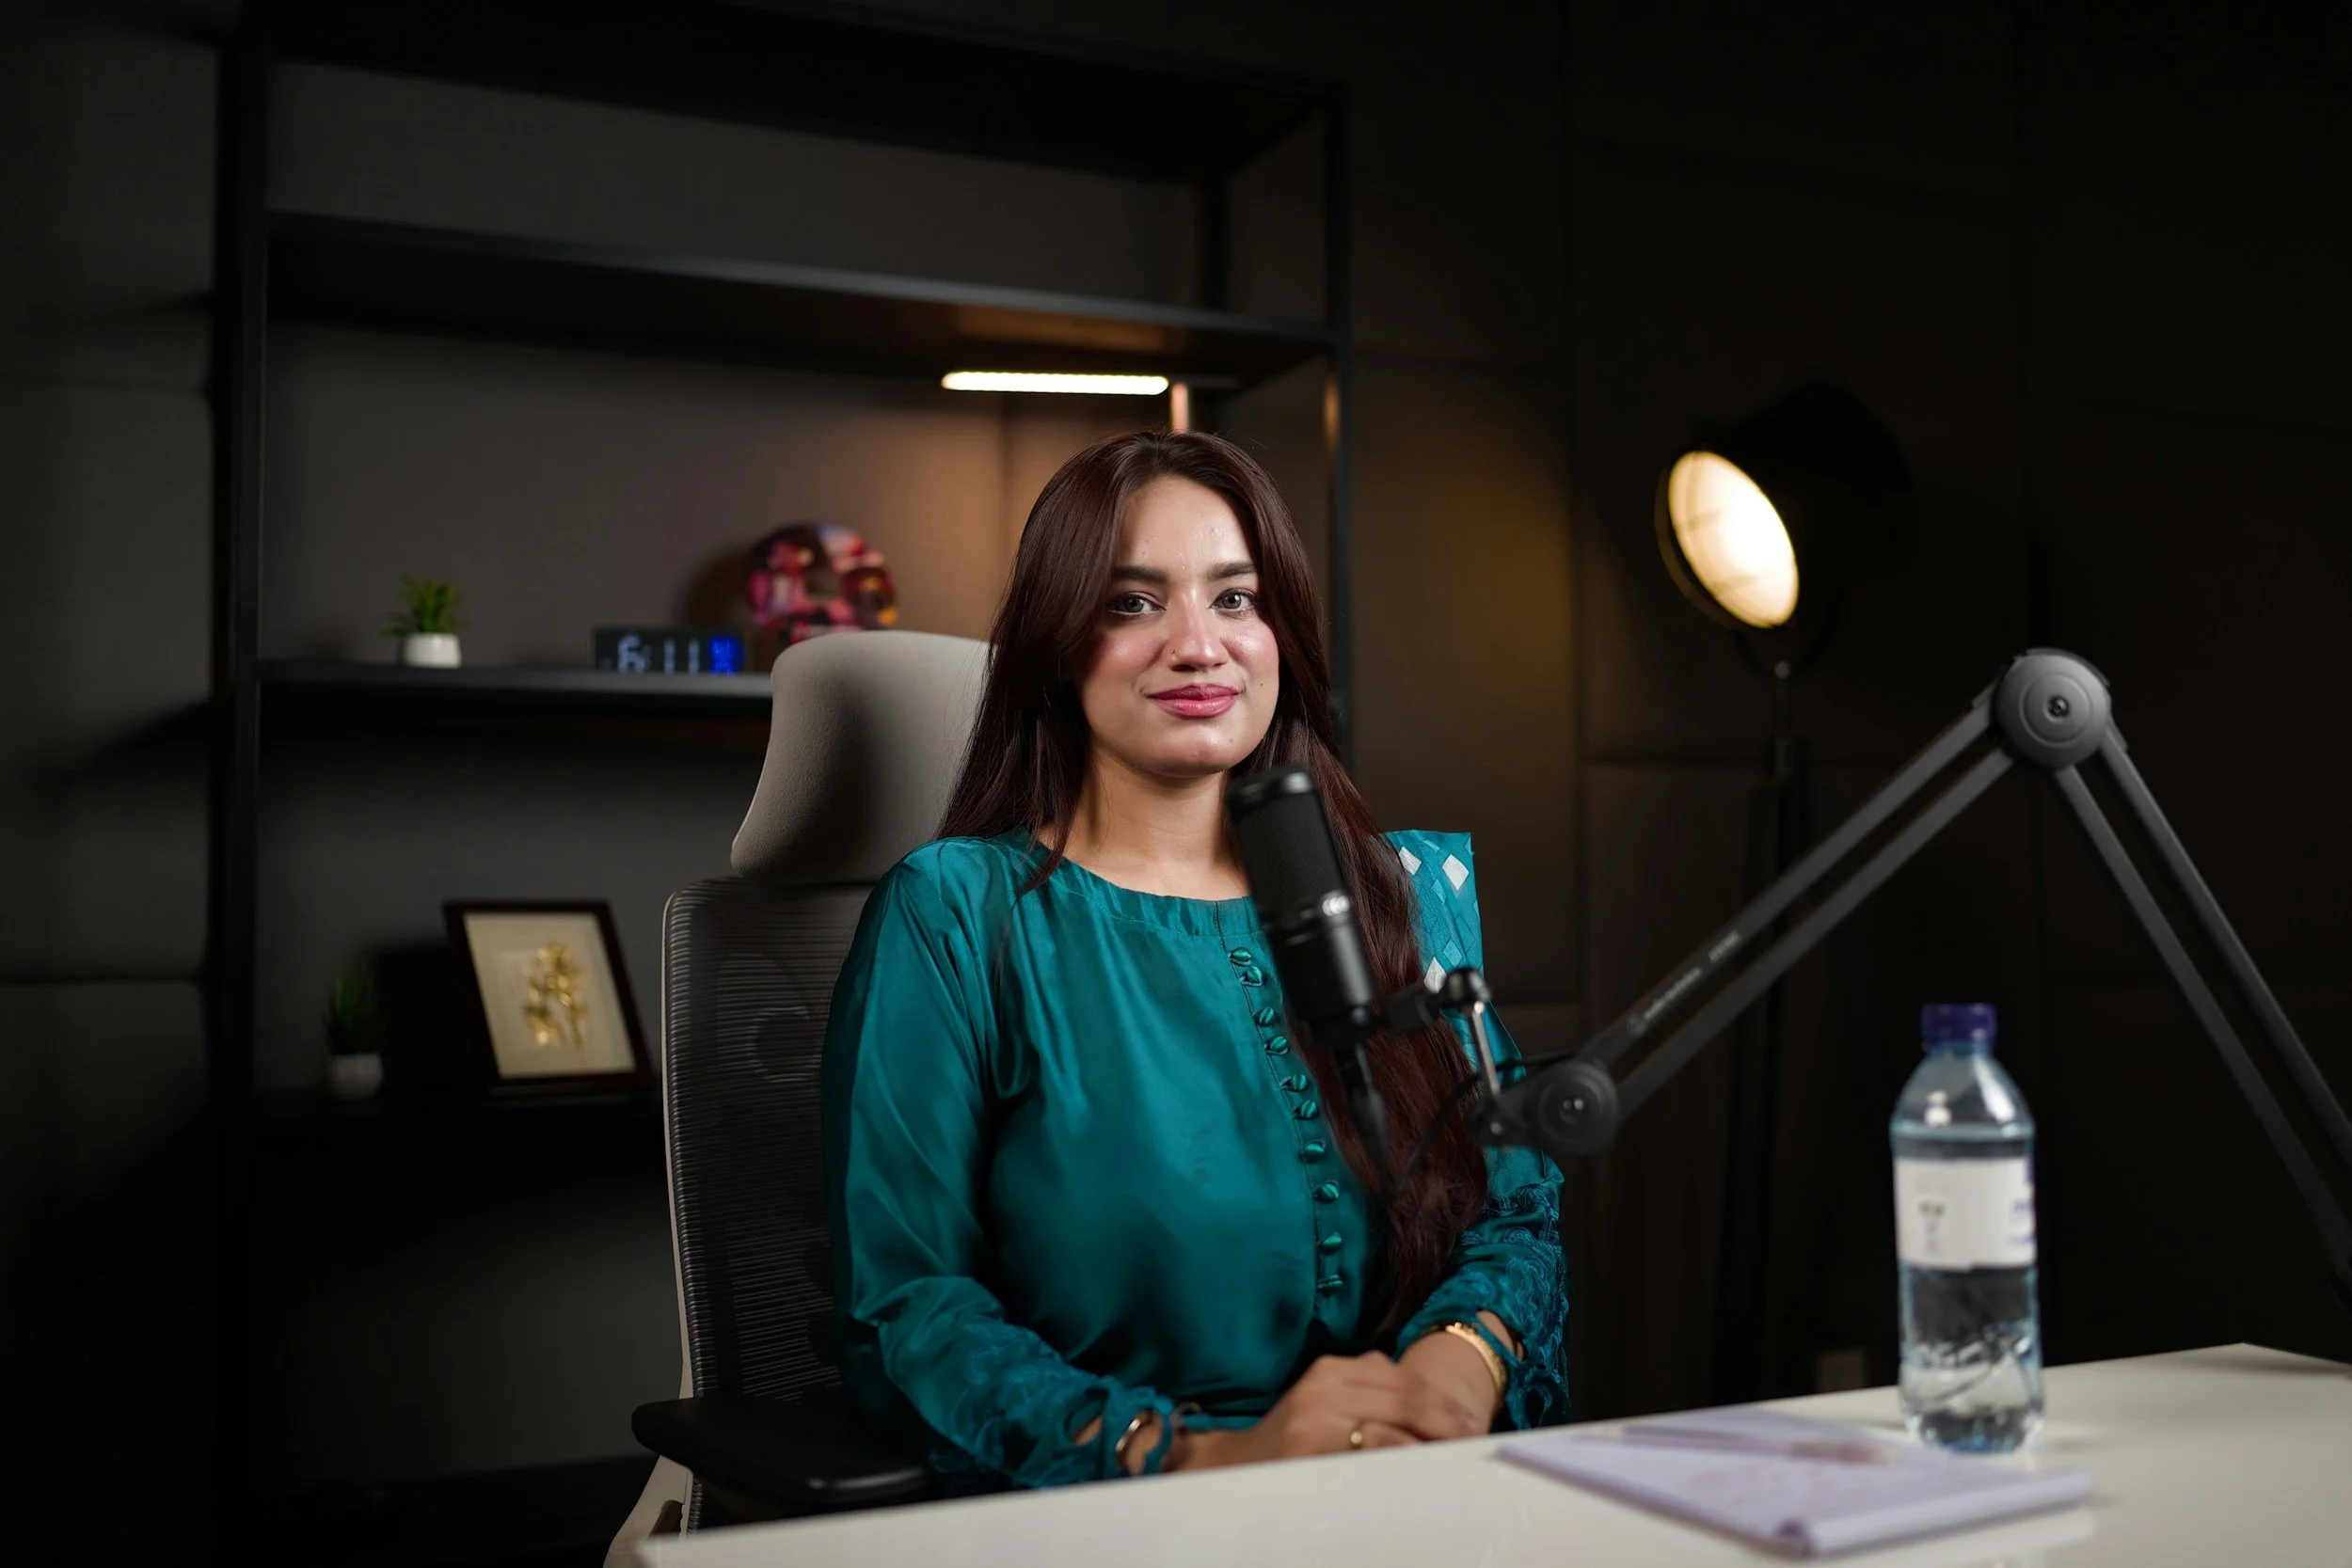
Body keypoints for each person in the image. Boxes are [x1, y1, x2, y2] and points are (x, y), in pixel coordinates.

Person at [823, 431, 1565, 1489]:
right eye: (1131, 602)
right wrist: (1199, 1454)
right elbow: (908, 1308)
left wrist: (1458, 1365)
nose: (1196, 644)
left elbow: (1517, 1208)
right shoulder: (954, 913)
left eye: (1235, 598)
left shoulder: (1399, 894)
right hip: (1114, 1510)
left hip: (1416, 1486)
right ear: (1055, 641)